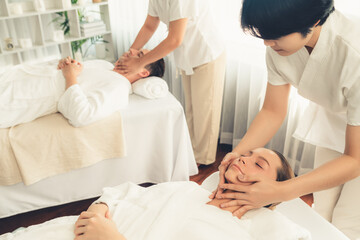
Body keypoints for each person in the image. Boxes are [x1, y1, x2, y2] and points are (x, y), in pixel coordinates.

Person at [212, 0, 360, 239]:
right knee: (323, 207)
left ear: (313, 21)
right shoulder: (279, 45)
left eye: (275, 35)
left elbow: (355, 159)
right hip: (336, 119)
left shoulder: (354, 53)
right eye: (264, 33)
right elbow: (272, 111)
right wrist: (237, 153)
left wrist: (281, 190)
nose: (267, 43)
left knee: (349, 222)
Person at [72, 148, 301, 240]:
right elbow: (122, 193)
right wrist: (100, 209)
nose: (243, 159)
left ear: (271, 191)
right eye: (248, 154)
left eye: (258, 165)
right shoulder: (188, 189)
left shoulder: (232, 232)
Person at [117, 0, 226, 166]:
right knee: (191, 111)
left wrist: (139, 63)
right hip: (188, 56)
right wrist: (131, 53)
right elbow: (149, 26)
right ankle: (190, 154)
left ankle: (202, 160)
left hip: (206, 54)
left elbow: (175, 39)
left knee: (205, 112)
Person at [0, 51, 165, 128]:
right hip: (21, 76)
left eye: (140, 54)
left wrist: (70, 76)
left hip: (25, 96)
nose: (132, 50)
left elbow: (81, 115)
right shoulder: (104, 65)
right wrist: (65, 64)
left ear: (144, 72)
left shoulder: (119, 88)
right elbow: (71, 72)